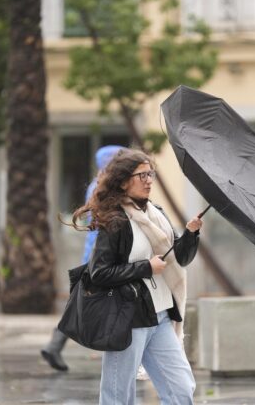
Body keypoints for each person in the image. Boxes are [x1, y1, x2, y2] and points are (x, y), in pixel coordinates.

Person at [70, 148, 203, 404]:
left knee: (181, 389)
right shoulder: (116, 221)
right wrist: (145, 268)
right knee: (118, 396)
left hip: (161, 314)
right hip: (128, 319)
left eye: (150, 174)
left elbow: (179, 259)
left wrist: (190, 235)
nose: (149, 180)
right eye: (142, 175)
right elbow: (99, 272)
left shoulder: (156, 214)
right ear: (123, 181)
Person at [41, 145, 124, 372]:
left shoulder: (97, 186)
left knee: (80, 304)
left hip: (93, 254)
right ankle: (55, 345)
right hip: (101, 256)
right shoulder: (105, 188)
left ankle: (54, 345)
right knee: (84, 305)